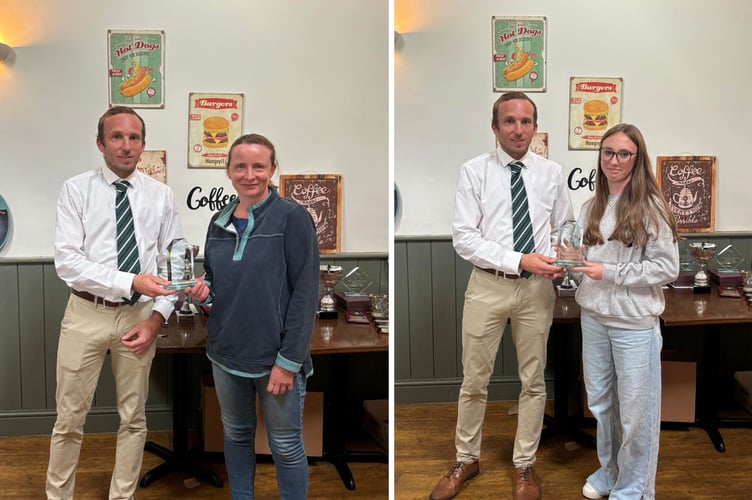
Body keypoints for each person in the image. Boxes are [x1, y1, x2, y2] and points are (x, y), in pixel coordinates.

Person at [430, 92, 574, 500]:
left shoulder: (551, 172)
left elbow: (565, 227)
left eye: (526, 121)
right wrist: (520, 259)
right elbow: (464, 238)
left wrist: (565, 260)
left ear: (535, 126)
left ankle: (524, 465)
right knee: (474, 380)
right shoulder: (474, 171)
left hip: (537, 290)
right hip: (487, 286)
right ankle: (466, 459)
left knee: (533, 381)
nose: (518, 129)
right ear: (495, 128)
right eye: (509, 121)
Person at [47, 106, 183, 499]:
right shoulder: (75, 190)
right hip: (85, 314)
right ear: (100, 143)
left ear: (143, 144)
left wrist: (156, 320)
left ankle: (121, 497)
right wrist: (131, 280)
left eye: (134, 137)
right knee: (69, 420)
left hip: (140, 316)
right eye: (117, 137)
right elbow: (68, 262)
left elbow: (172, 265)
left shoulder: (161, 196)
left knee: (134, 419)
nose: (126, 145)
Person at [186, 133, 319, 499]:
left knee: (286, 445)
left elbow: (306, 295)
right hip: (225, 355)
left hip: (275, 360)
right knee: (236, 436)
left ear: (272, 169)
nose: (250, 174)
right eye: (240, 166)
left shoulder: (293, 218)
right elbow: (217, 285)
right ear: (228, 171)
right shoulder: (218, 222)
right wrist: (204, 292)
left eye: (258, 166)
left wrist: (289, 362)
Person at [572, 123, 679, 500]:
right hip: (594, 317)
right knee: (601, 403)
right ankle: (610, 471)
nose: (613, 160)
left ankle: (634, 490)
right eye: (607, 152)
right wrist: (573, 263)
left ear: (637, 159)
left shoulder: (652, 208)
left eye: (623, 154)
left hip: (634, 323)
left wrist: (609, 272)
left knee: (636, 413)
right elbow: (587, 263)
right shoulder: (591, 207)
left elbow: (668, 268)